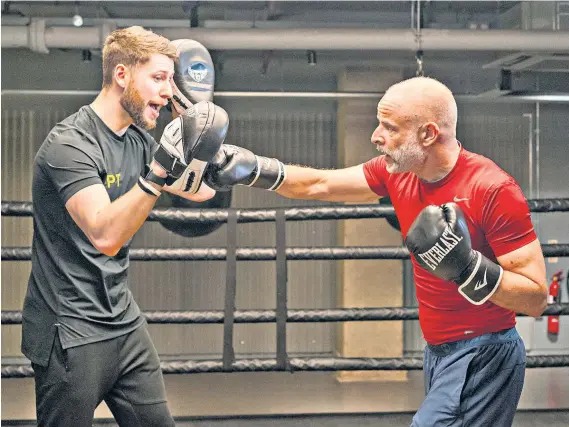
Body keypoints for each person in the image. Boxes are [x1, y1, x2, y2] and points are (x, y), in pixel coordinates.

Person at [202, 76, 548, 426]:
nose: (376, 136)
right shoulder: (397, 173)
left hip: (484, 352)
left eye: (389, 127)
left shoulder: (492, 189)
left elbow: (535, 299)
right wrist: (254, 169)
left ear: (428, 134)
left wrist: (467, 268)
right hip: (438, 351)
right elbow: (320, 184)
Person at [21, 26, 228, 427]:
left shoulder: (136, 141)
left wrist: (204, 148)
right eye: (158, 78)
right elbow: (106, 235)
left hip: (123, 324)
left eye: (171, 78)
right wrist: (158, 172)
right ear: (122, 75)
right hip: (71, 329)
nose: (169, 91)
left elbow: (198, 192)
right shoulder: (70, 144)